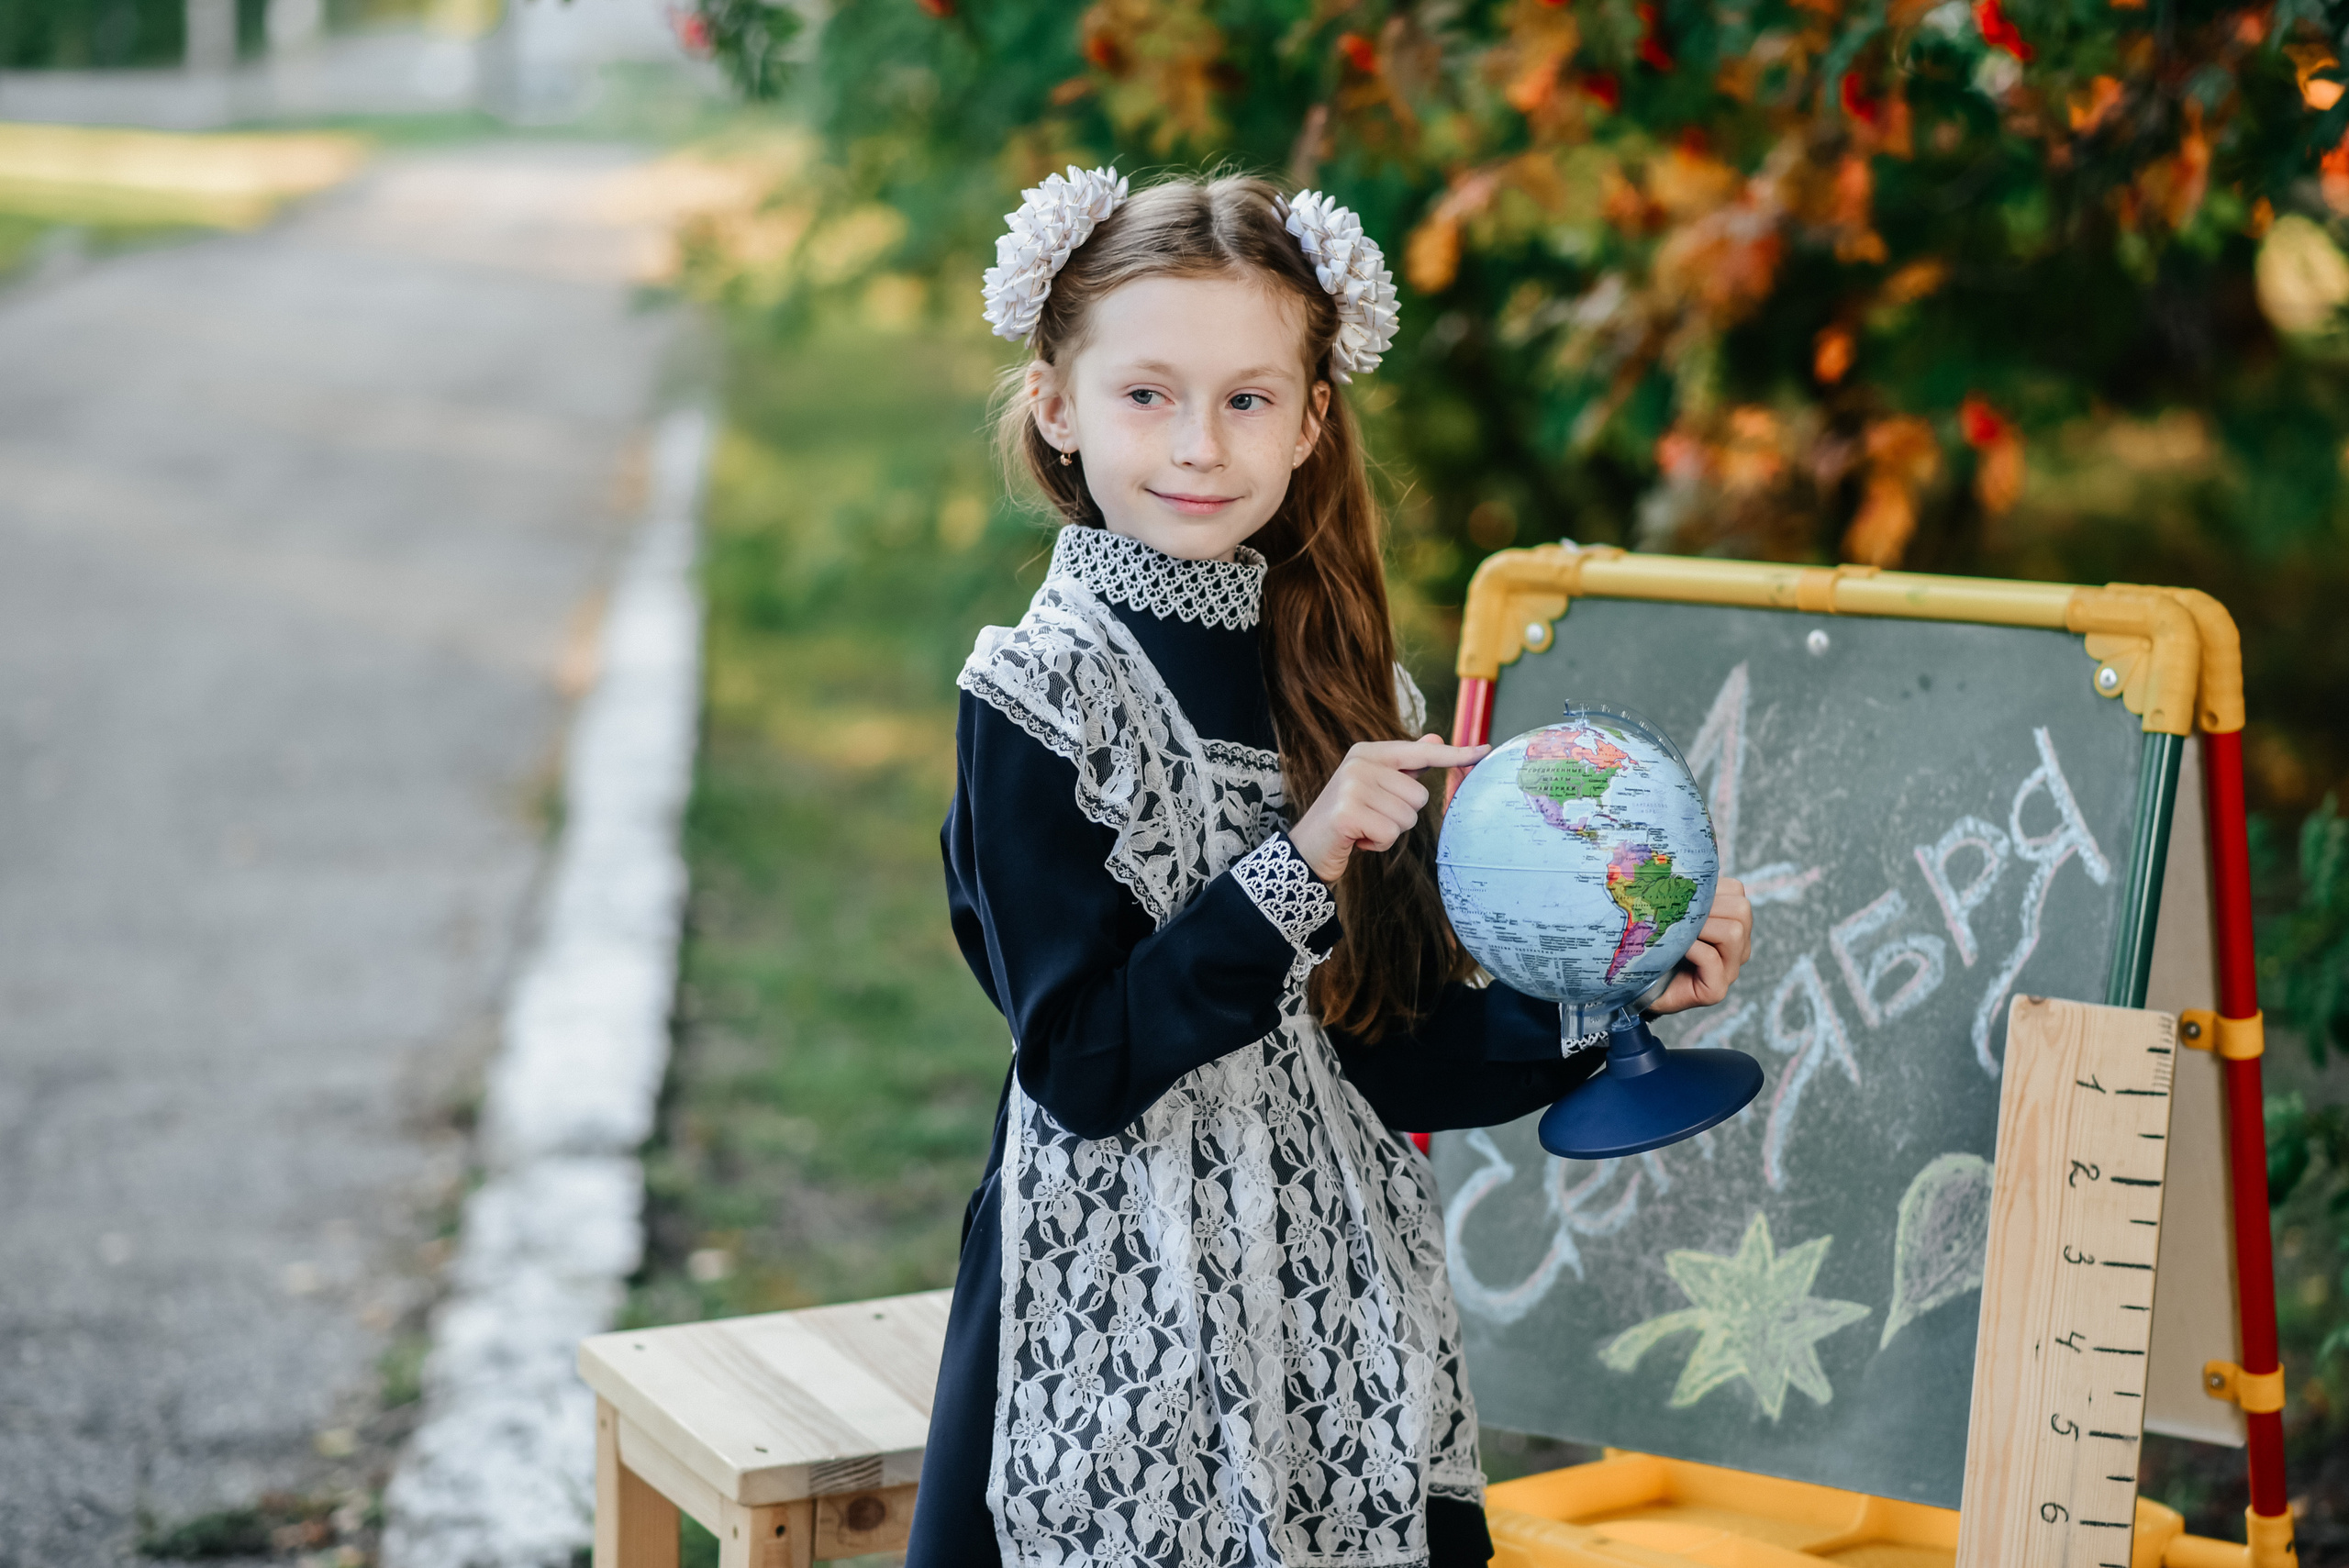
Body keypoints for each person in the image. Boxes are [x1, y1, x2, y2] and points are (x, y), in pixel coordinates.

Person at [910, 168, 1754, 1568]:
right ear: (1059, 408)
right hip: (1116, 1318)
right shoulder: (1036, 696)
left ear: (1310, 422)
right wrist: (1297, 864)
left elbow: (1389, 1051)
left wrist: (1608, 1006)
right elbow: (1081, 1061)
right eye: (1148, 395)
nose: (1198, 444)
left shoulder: (1343, 685)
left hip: (1337, 1322)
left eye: (1248, 398)